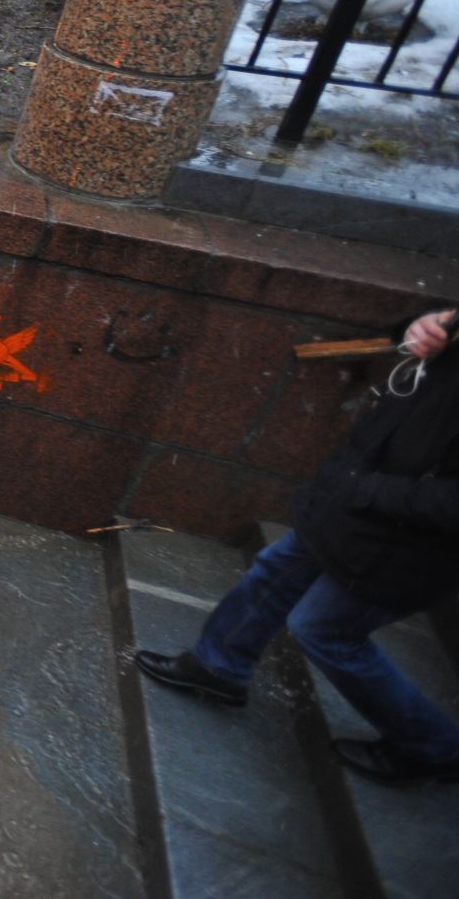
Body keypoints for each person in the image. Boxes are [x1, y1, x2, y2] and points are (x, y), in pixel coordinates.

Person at [137, 308, 459, 786]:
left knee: (324, 630)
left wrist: (363, 490)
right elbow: (423, 334)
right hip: (358, 495)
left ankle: (434, 747)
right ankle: (218, 665)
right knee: (276, 569)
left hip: (403, 535)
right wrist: (419, 326)